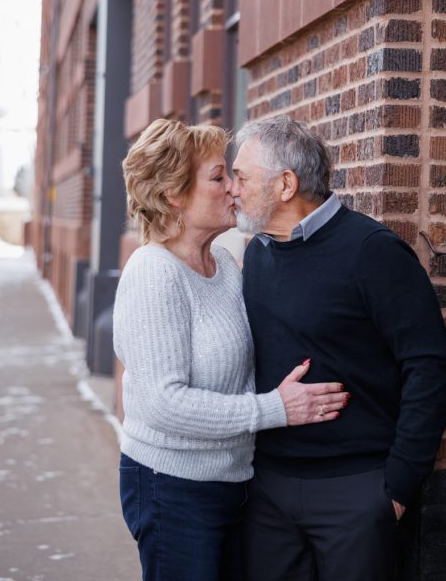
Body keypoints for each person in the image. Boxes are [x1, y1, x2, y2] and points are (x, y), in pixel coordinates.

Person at [113, 118, 348, 581]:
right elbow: (163, 403)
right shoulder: (152, 273)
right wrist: (273, 409)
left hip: (234, 481)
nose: (233, 190)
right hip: (172, 488)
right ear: (173, 195)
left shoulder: (222, 261)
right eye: (219, 177)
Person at [231, 115, 446, 581]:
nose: (232, 188)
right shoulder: (257, 254)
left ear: (285, 185)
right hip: (269, 492)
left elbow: (430, 366)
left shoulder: (372, 252)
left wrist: (395, 489)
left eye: (241, 177)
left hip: (356, 493)